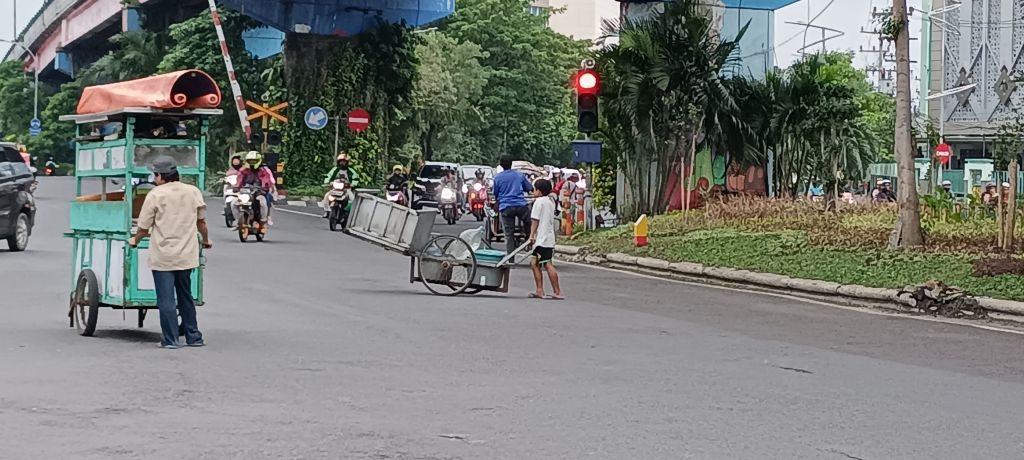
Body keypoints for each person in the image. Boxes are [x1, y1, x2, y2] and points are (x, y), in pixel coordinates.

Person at [129, 156, 210, 349]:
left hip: (164, 255)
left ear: (159, 176)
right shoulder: (192, 192)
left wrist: (135, 240)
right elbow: (201, 223)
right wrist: (206, 240)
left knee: (166, 299)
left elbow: (143, 226)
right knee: (185, 296)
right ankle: (194, 337)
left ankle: (171, 339)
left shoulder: (156, 194)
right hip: (187, 255)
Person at [528, 178, 563, 300]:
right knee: (536, 263)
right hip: (548, 237)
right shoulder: (549, 202)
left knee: (546, 264)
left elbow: (535, 220)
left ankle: (555, 291)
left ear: (539, 191)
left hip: (541, 239)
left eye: (534, 189)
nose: (533, 191)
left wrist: (531, 235)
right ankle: (540, 290)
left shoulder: (538, 202)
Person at [492, 156, 534, 255]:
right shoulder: (519, 175)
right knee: (529, 223)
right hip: (520, 205)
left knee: (509, 235)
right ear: (511, 164)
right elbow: (528, 188)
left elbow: (496, 193)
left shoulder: (497, 177)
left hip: (506, 207)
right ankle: (529, 238)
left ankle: (510, 259)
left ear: (501, 165)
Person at [233, 151, 274, 226]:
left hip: (259, 192)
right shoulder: (243, 170)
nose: (252, 163)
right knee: (234, 203)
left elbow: (267, 180)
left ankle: (263, 219)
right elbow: (239, 179)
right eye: (250, 161)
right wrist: (236, 186)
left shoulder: (264, 170)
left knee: (262, 202)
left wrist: (264, 187)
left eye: (254, 161)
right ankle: (238, 220)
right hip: (246, 192)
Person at [322, 152, 360, 217]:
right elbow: (328, 176)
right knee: (326, 196)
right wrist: (327, 182)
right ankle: (327, 211)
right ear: (338, 162)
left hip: (346, 189)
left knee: (352, 199)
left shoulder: (351, 171)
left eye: (344, 162)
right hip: (335, 189)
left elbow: (355, 179)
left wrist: (352, 184)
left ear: (347, 162)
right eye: (341, 161)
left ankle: (349, 213)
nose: (342, 163)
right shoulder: (335, 170)